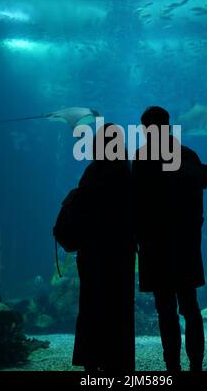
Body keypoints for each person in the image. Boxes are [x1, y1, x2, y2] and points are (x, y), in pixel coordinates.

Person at [132, 106, 207, 372]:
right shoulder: (188, 155)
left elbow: (136, 204)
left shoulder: (142, 159)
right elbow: (202, 189)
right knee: (190, 307)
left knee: (165, 310)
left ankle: (173, 367)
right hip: (186, 245)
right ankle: (196, 366)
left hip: (155, 247)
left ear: (146, 129)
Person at [73, 124, 136, 372]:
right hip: (120, 252)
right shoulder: (127, 172)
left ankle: (91, 363)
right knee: (120, 309)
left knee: (90, 306)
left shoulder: (91, 171)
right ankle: (119, 365)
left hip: (91, 252)